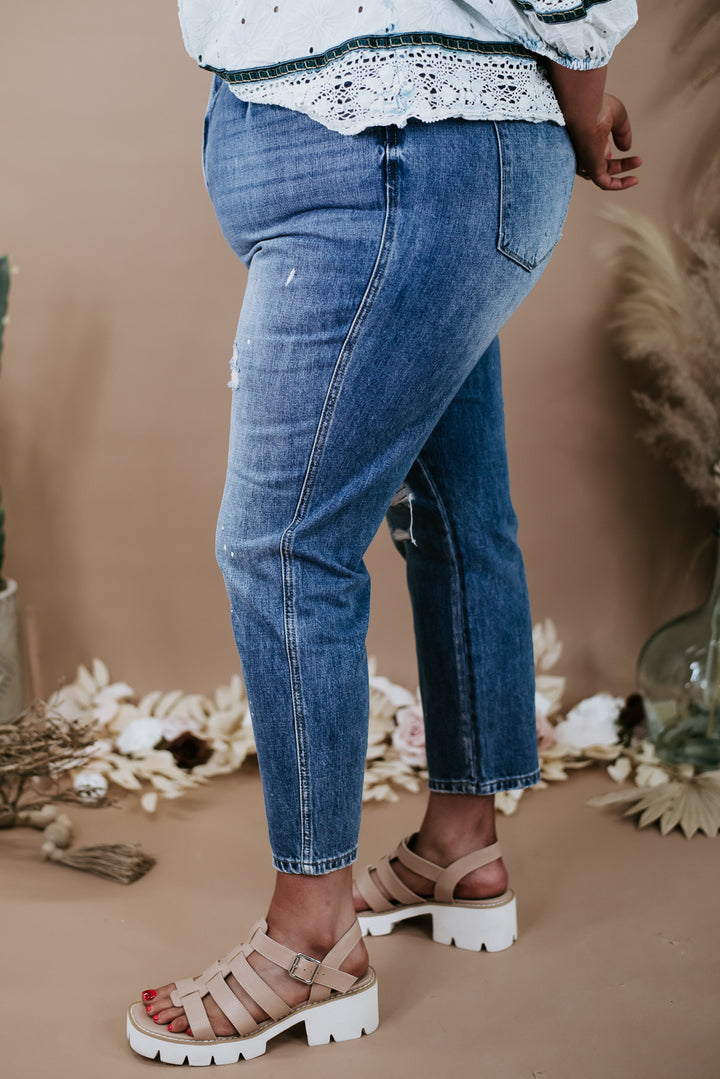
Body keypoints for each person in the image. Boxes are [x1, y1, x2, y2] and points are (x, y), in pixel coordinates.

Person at [127, 0, 641, 1065]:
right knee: (451, 506)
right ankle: (461, 847)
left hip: (402, 150)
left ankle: (311, 937)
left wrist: (584, 99)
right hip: (390, 154)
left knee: (283, 547)